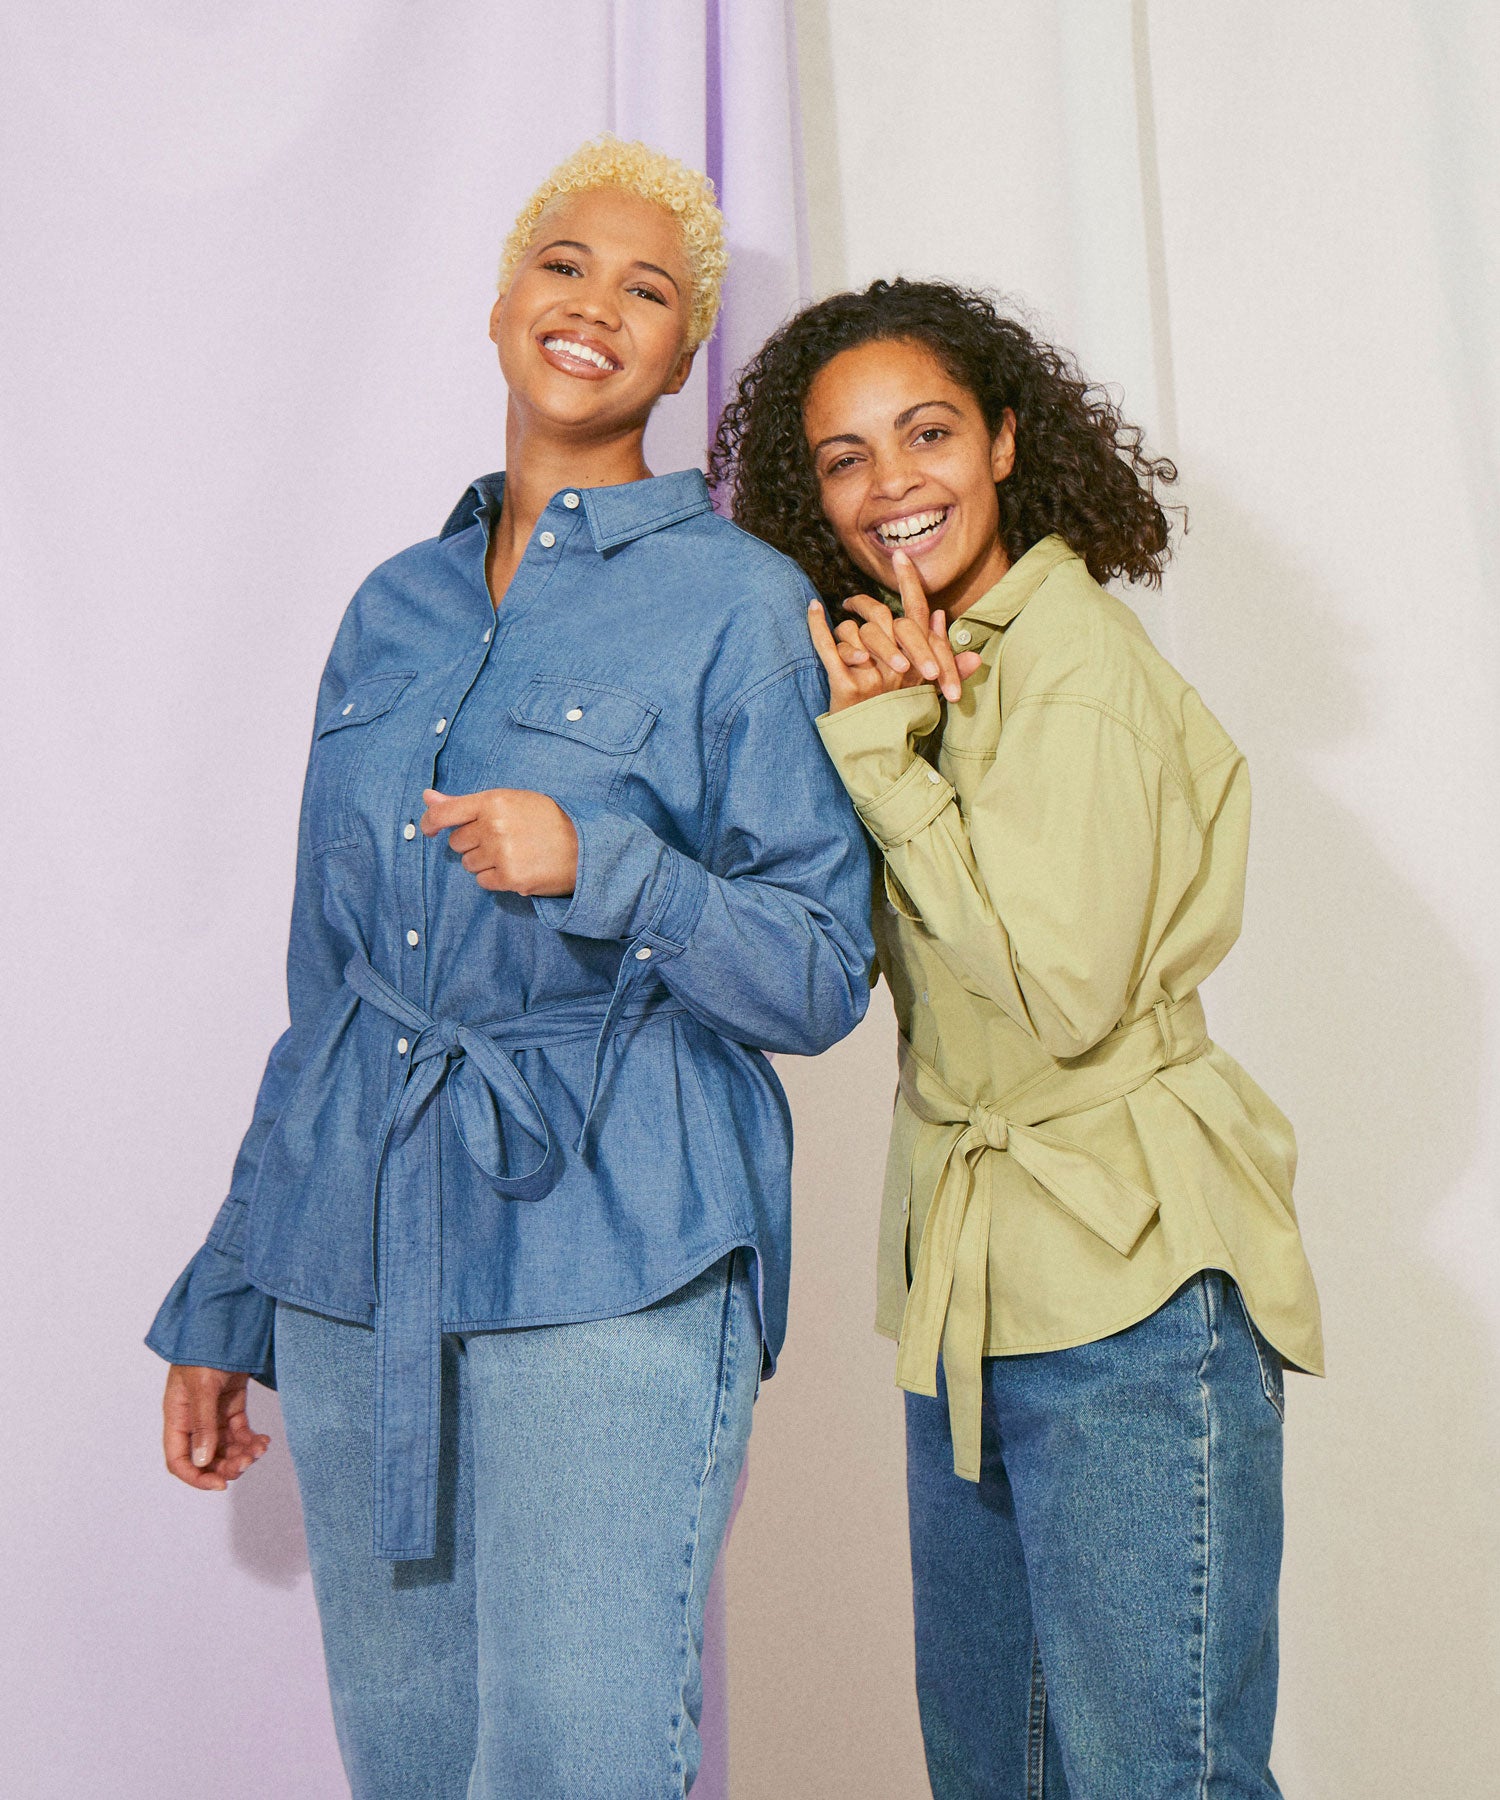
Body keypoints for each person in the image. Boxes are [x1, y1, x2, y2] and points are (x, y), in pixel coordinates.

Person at [147, 138, 873, 1800]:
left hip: (617, 1256)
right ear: (499, 302)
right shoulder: (387, 611)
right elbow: (325, 989)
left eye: (650, 290)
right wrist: (231, 1285)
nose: (595, 305)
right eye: (565, 263)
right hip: (357, 1264)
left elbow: (825, 972)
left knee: (576, 1763)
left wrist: (605, 867)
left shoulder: (744, 610)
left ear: (684, 360)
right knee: (405, 1764)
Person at [713, 277, 1322, 1799]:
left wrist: (886, 765)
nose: (889, 483)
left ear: (1000, 440)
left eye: (924, 433)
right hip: (971, 1301)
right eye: (844, 458)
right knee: (998, 1773)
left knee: (1156, 1777)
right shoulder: (933, 661)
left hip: (1129, 1286)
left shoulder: (1073, 664)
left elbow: (1060, 1001)